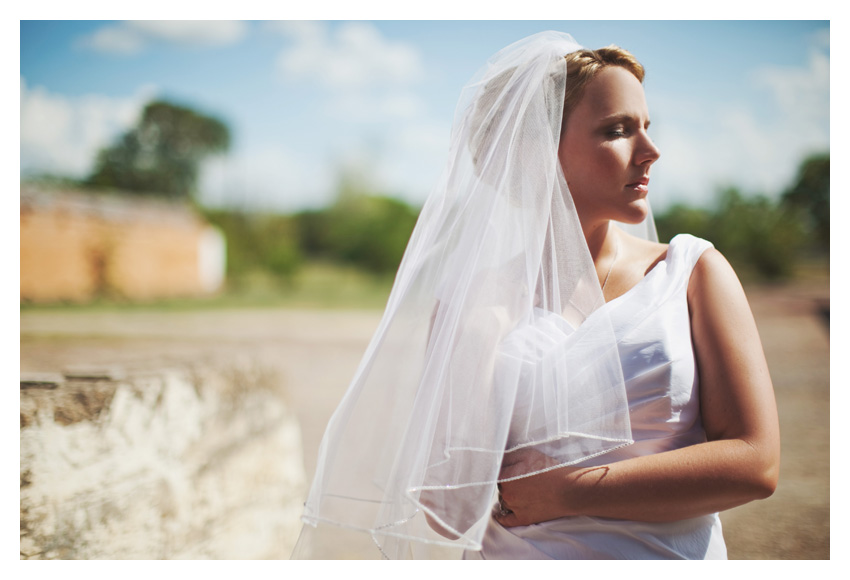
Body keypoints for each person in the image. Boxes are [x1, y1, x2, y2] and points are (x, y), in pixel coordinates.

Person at [292, 31, 779, 560]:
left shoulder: (691, 272)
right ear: (539, 153)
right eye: (617, 130)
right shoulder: (476, 303)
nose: (650, 151)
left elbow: (756, 464)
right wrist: (481, 331)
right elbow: (446, 509)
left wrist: (569, 491)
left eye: (646, 127)